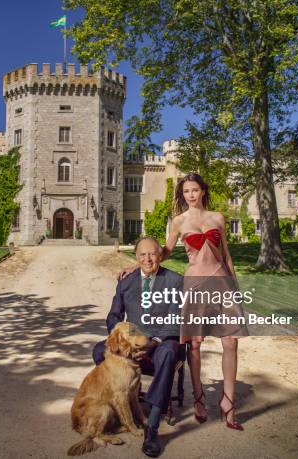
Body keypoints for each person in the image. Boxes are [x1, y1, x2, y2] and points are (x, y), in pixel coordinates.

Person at [119, 172, 248, 431]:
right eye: (187, 191)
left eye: (195, 190)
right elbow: (164, 252)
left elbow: (227, 255)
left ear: (202, 191)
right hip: (195, 284)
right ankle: (199, 399)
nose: (191, 195)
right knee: (196, 345)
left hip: (221, 282)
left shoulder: (218, 218)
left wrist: (235, 288)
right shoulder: (178, 221)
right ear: (183, 194)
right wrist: (138, 264)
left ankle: (228, 402)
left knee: (230, 342)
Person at [92, 236, 185, 457]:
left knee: (170, 352)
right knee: (98, 351)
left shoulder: (174, 281)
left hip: (162, 340)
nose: (148, 259)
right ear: (136, 257)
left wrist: (153, 344)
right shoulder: (126, 281)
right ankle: (127, 400)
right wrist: (121, 339)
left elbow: (174, 321)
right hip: (131, 345)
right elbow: (114, 315)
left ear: (160, 256)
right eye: (143, 254)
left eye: (152, 254)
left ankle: (151, 427)